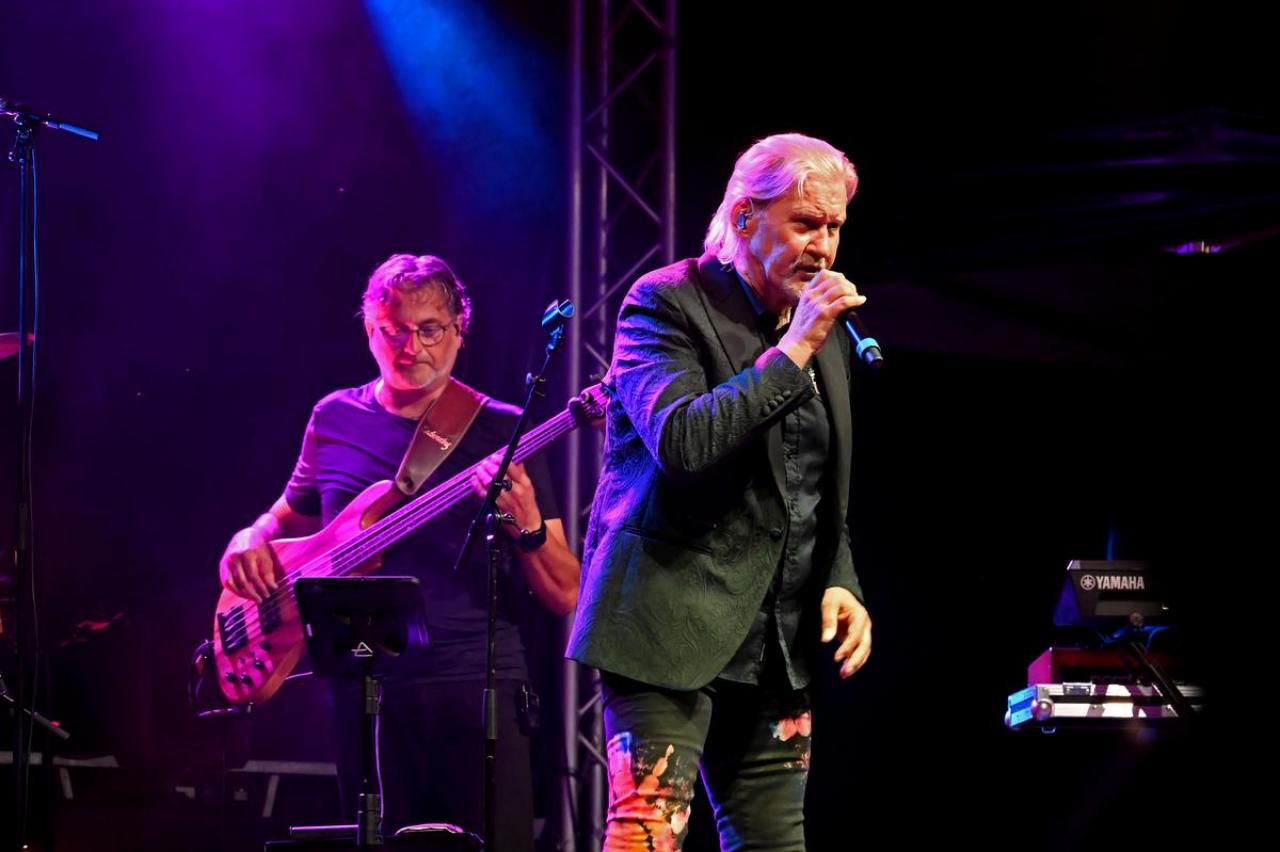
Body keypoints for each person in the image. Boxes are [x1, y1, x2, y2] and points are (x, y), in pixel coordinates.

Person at [567, 133, 873, 850]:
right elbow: (684, 442)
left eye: (834, 227)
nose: (824, 247)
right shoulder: (665, 303)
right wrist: (793, 350)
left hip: (776, 639)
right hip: (664, 620)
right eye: (806, 223)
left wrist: (840, 577)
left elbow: (815, 482)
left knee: (775, 842)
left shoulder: (821, 331)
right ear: (743, 217)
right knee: (648, 834)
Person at [218, 253, 580, 851]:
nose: (410, 347)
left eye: (429, 329)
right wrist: (249, 538)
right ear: (369, 329)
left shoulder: (504, 430)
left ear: (460, 331)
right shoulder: (333, 417)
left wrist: (529, 526)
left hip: (475, 687)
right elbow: (285, 517)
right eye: (392, 330)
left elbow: (565, 592)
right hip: (363, 692)